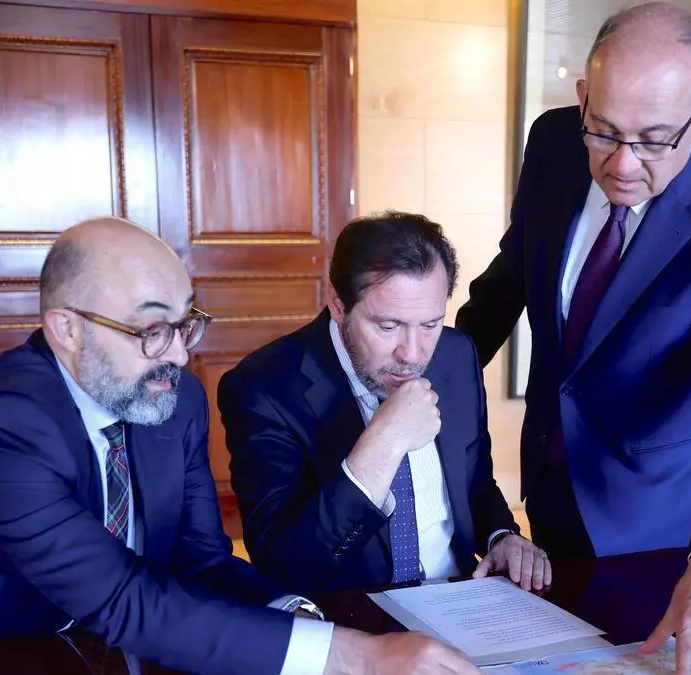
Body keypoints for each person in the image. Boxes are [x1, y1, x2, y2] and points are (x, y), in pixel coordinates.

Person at [0, 217, 482, 675]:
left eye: (185, 323)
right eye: (152, 328)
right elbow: (122, 599)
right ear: (66, 329)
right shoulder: (1, 427)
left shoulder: (173, 402)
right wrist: (357, 656)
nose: (178, 354)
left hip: (115, 651)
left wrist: (292, 613)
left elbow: (200, 560)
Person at [454, 4, 691, 675]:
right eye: (605, 131)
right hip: (549, 481)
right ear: (584, 97)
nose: (621, 164)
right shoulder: (553, 141)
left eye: (653, 141)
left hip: (658, 526)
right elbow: (507, 282)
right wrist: (429, 376)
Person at [219, 211, 550, 597]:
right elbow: (287, 568)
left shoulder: (457, 354)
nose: (412, 354)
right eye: (388, 327)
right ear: (338, 305)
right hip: (352, 614)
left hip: (460, 600)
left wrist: (501, 536)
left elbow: (474, 481)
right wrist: (385, 441)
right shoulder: (264, 388)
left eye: (430, 325)